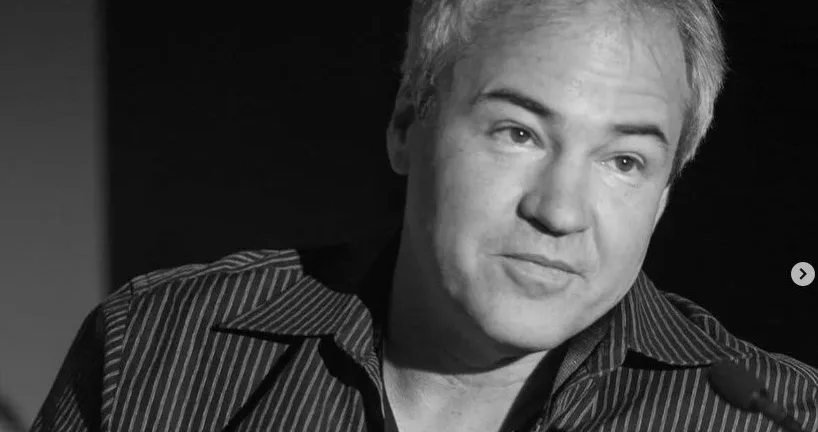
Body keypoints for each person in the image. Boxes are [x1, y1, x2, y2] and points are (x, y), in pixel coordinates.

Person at [34, 0, 818, 431]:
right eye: (517, 133)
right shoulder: (155, 350)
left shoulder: (778, 418)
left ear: (666, 193)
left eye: (625, 161)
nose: (559, 211)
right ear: (408, 125)